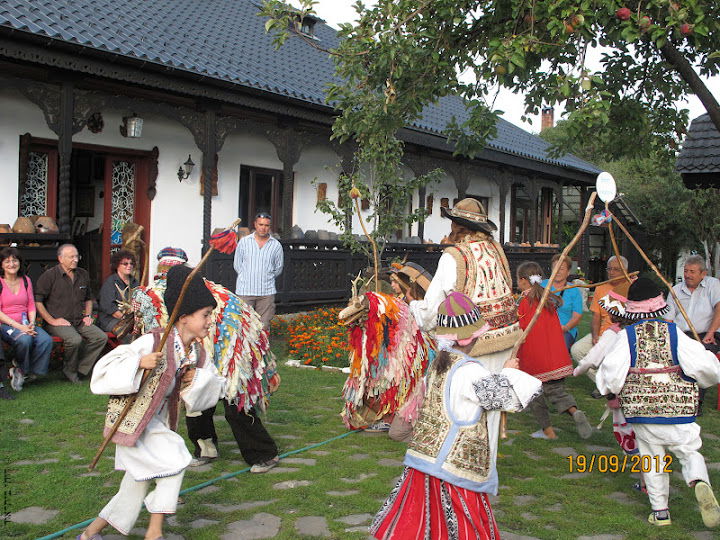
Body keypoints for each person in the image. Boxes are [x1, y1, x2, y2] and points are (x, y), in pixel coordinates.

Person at [370, 292, 542, 539]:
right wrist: (509, 373)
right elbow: (505, 398)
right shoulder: (469, 372)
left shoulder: (440, 365)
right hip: (453, 470)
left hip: (424, 462)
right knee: (463, 528)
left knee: (425, 525)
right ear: (470, 337)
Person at [77, 265, 225, 540]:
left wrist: (197, 379)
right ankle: (154, 533)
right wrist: (138, 363)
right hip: (136, 424)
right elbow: (103, 372)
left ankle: (88, 535)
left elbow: (216, 386)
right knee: (177, 456)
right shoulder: (153, 342)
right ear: (184, 317)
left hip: (158, 423)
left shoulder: (196, 354)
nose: (209, 321)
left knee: (134, 487)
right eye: (205, 315)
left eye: (210, 315)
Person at [596, 277, 720, 528]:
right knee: (689, 450)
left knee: (652, 458)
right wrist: (702, 378)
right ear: (660, 306)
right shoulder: (675, 333)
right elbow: (706, 368)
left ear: (632, 308)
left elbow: (611, 372)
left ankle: (660, 512)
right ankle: (698, 480)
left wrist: (609, 391)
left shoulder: (627, 336)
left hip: (643, 410)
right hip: (679, 407)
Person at [409, 198, 520, 374]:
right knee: (501, 387)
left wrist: (413, 306)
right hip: (507, 342)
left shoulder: (454, 256)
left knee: (472, 391)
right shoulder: (495, 250)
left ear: (458, 227)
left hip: (473, 348)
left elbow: (433, 311)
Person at [516, 261, 591, 440]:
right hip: (555, 357)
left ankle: (548, 431)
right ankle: (574, 411)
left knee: (534, 395)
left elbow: (521, 329)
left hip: (536, 359)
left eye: (518, 280)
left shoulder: (526, 302)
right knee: (557, 392)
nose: (517, 283)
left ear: (524, 280)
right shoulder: (547, 299)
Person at [34, 244, 107, 383]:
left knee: (100, 337)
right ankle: (69, 370)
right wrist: (52, 321)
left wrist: (88, 315)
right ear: (60, 259)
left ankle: (81, 369)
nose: (75, 260)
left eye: (77, 256)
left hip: (78, 320)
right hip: (57, 322)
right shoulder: (49, 276)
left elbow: (88, 298)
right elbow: (38, 301)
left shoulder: (83, 274)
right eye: (71, 257)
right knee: (74, 340)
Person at [665, 255, 720, 414]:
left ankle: (696, 401)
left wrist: (710, 332)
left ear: (703, 273)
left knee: (701, 357)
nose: (688, 275)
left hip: (707, 334)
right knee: (669, 355)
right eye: (686, 271)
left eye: (692, 272)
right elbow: (668, 319)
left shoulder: (713, 285)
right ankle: (672, 397)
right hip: (683, 334)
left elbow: (719, 308)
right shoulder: (676, 290)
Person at [0, 247, 52, 392]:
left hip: (25, 323)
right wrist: (20, 327)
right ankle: (22, 369)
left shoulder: (26, 280)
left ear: (20, 262)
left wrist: (31, 323)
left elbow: (31, 305)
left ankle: (25, 372)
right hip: (5, 324)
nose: (12, 264)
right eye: (7, 261)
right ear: (1, 264)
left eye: (15, 260)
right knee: (24, 340)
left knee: (45, 340)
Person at [570, 255, 632, 373]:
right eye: (609, 269)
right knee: (577, 350)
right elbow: (596, 316)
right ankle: (601, 381)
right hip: (602, 333)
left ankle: (609, 380)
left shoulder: (632, 287)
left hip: (623, 336)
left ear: (625, 271)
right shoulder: (600, 288)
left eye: (616, 269)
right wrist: (595, 336)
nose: (612, 272)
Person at [233, 212, 283, 329]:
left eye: (266, 225)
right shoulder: (244, 242)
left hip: (266, 293)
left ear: (270, 226)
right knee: (244, 326)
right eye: (260, 224)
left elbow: (278, 268)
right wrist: (248, 276)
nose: (263, 228)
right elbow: (237, 265)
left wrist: (265, 276)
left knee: (263, 327)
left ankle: (262, 342)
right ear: (255, 224)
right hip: (245, 291)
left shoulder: (276, 245)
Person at [541, 253, 584, 350]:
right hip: (543, 329)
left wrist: (565, 328)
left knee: (558, 348)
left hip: (565, 330)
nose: (557, 271)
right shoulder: (542, 285)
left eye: (561, 269)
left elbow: (577, 316)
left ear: (568, 272)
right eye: (555, 268)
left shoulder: (574, 290)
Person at [97, 250, 139, 338]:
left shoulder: (135, 282)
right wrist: (126, 320)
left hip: (131, 319)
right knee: (128, 334)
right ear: (117, 265)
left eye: (131, 263)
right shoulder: (110, 283)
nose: (129, 266)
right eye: (125, 264)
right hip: (110, 320)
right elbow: (109, 308)